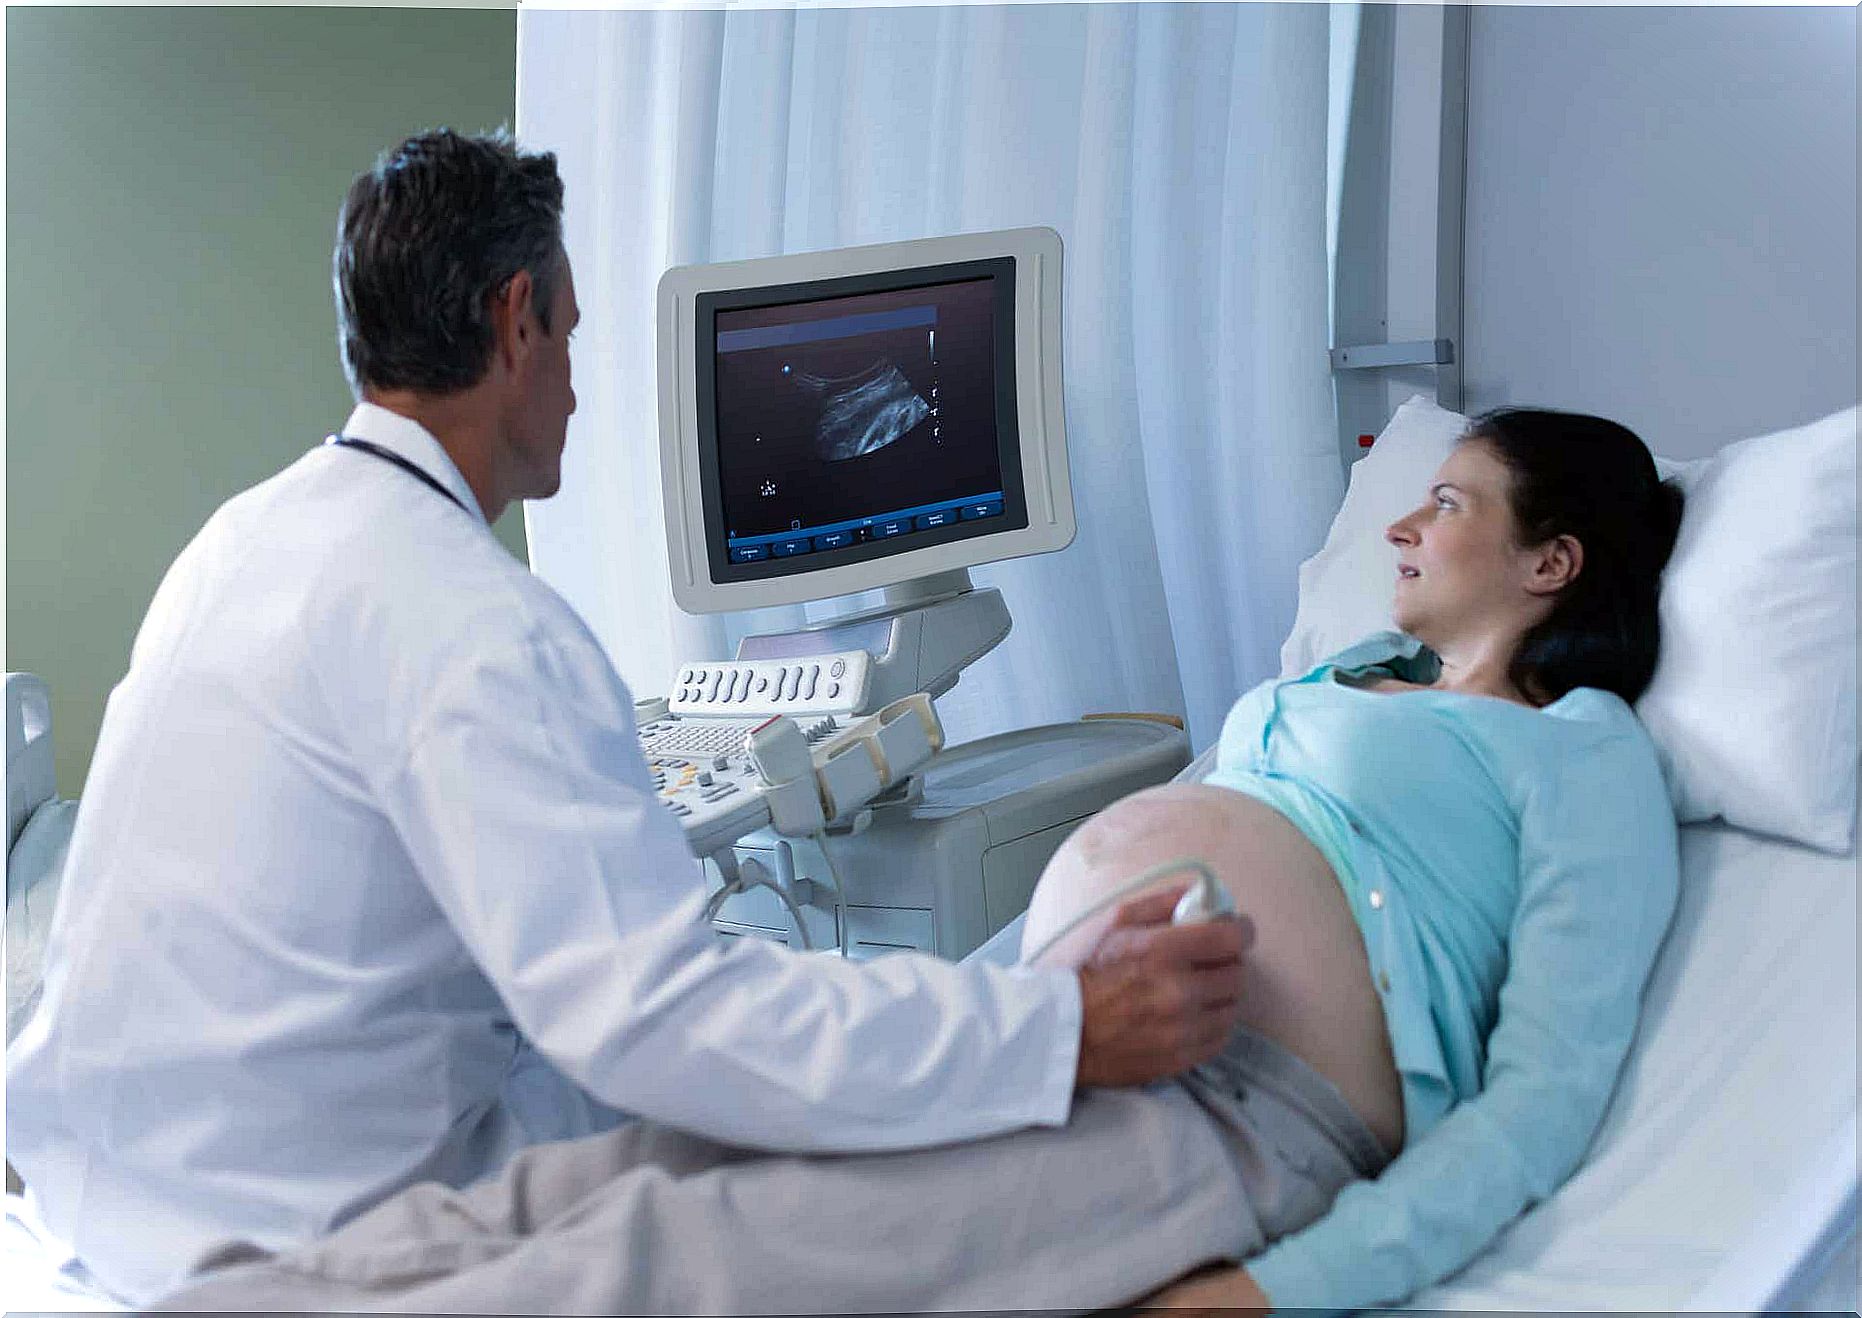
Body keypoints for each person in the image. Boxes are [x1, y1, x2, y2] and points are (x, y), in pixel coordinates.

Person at [2, 128, 1248, 1306]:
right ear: (515, 322)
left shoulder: (241, 540)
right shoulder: (478, 623)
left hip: (100, 1190)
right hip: (292, 1236)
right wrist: (1057, 1026)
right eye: (573, 336)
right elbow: (660, 1023)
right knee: (794, 1165)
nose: (577, 392)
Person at [147, 409, 1688, 1314]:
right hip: (1039, 1022)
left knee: (683, 1251)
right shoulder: (1348, 675)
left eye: (1450, 501)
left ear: (1550, 564)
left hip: (1232, 1111)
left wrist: (1284, 1287)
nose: (1406, 517)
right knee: (599, 1167)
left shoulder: (1582, 756)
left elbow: (1540, 1098)